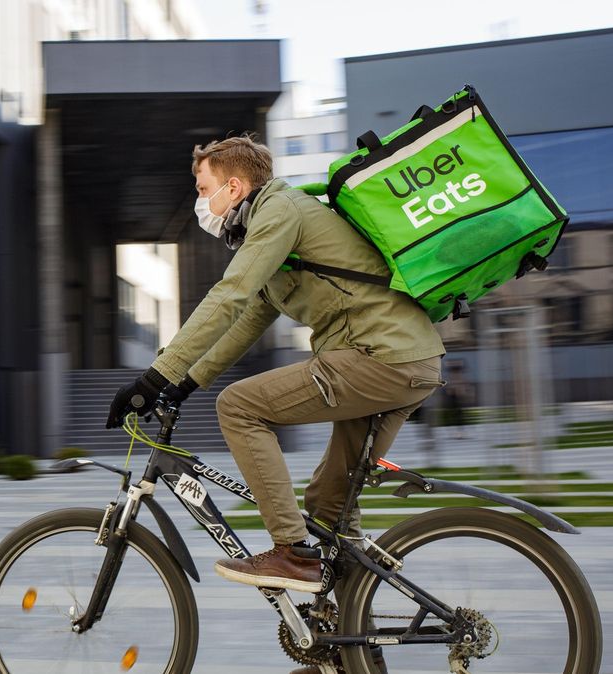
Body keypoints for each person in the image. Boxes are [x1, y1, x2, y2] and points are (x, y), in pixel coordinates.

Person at [105, 135, 446, 673]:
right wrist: (182, 384)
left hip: (378, 357)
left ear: (235, 185)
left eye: (204, 189)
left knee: (240, 407)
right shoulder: (272, 236)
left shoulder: (278, 210)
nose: (201, 202)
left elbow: (230, 294)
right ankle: (346, 650)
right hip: (403, 361)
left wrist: (155, 375)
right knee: (330, 510)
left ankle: (291, 552)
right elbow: (244, 322)